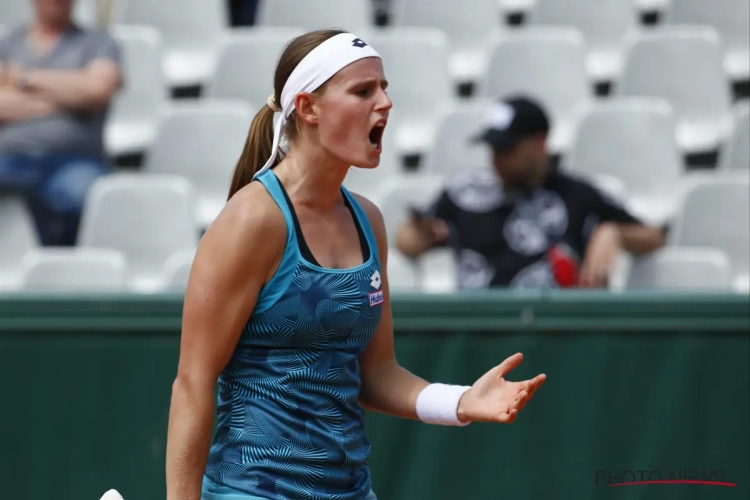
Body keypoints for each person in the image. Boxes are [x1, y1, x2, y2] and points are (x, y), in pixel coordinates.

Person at [165, 29, 546, 500]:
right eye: (364, 91)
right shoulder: (251, 220)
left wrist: (460, 401)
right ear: (308, 108)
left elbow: (377, 373)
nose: (384, 102)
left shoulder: (368, 220)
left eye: (384, 88)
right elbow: (193, 382)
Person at [396, 97, 666, 289]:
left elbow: (653, 237)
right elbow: (405, 241)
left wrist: (615, 232)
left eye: (507, 150)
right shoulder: (465, 192)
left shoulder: (576, 194)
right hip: (479, 333)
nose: (497, 160)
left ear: (540, 142)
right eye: (493, 150)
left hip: (554, 335)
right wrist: (420, 236)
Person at [0, 0, 122, 246]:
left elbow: (96, 90)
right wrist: (67, 98)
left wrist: (22, 79)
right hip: (10, 158)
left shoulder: (99, 42)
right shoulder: (8, 44)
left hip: (75, 160)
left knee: (82, 195)